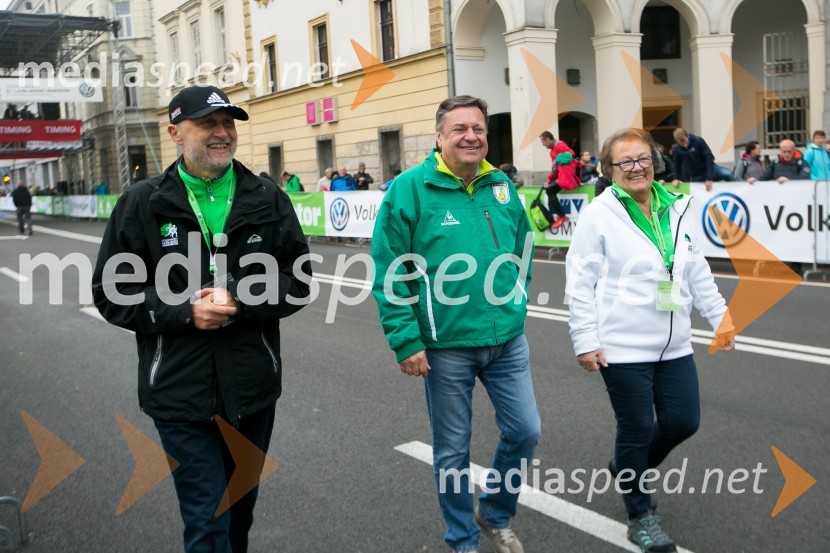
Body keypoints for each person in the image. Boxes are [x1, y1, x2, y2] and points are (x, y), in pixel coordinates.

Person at [91, 85, 311, 553]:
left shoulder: (267, 198)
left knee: (238, 518)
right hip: (178, 391)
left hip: (252, 391)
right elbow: (111, 291)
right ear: (175, 132)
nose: (222, 133)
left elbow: (300, 279)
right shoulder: (141, 202)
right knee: (208, 522)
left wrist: (241, 300)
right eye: (208, 124)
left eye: (228, 124)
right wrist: (184, 311)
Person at [371, 95, 540, 553]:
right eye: (460, 128)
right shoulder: (409, 189)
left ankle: (495, 513)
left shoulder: (500, 184)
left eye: (479, 128)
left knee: (526, 430)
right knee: (452, 452)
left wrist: (516, 295)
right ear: (440, 137)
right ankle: (463, 540)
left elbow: (523, 246)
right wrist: (406, 340)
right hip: (446, 347)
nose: (471, 136)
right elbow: (390, 271)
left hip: (506, 339)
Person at [566, 128, 735, 553]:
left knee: (683, 422)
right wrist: (584, 338)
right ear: (609, 171)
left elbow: (695, 269)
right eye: (625, 162)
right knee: (637, 427)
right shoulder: (599, 215)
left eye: (642, 158)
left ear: (655, 161)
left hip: (675, 342)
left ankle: (627, 466)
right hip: (621, 346)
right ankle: (640, 513)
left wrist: (720, 317)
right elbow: (579, 282)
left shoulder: (675, 206)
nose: (636, 167)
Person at [540, 131, 577, 229]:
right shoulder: (552, 151)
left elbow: (571, 154)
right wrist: (550, 180)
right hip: (562, 177)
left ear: (548, 140)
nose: (543, 145)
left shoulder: (559, 145)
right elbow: (555, 169)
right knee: (549, 190)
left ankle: (561, 216)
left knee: (549, 190)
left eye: (543, 143)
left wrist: (558, 160)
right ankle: (561, 216)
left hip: (567, 177)